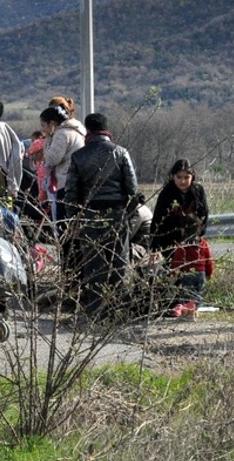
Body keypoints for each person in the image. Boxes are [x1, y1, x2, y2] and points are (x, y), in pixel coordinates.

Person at [64, 112, 141, 319]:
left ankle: (96, 312)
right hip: (116, 214)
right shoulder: (121, 152)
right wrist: (130, 214)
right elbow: (132, 189)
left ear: (87, 130)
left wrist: (73, 218)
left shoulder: (78, 156)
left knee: (93, 265)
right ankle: (120, 309)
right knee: (119, 262)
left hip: (90, 216)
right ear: (107, 129)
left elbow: (71, 193)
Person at [150, 159, 212, 318]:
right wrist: (155, 247)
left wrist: (198, 233)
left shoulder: (198, 191)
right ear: (173, 177)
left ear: (192, 176)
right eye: (179, 177)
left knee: (193, 273)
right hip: (170, 239)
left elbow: (204, 214)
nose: (183, 181)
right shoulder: (167, 193)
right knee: (176, 272)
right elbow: (158, 219)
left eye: (186, 177)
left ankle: (190, 305)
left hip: (192, 238)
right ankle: (177, 304)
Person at [40, 102, 86, 221]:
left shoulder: (61, 134)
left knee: (63, 221)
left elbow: (52, 159)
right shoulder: (77, 131)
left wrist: (48, 140)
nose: (42, 130)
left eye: (43, 125)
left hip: (66, 182)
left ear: (52, 123)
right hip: (79, 181)